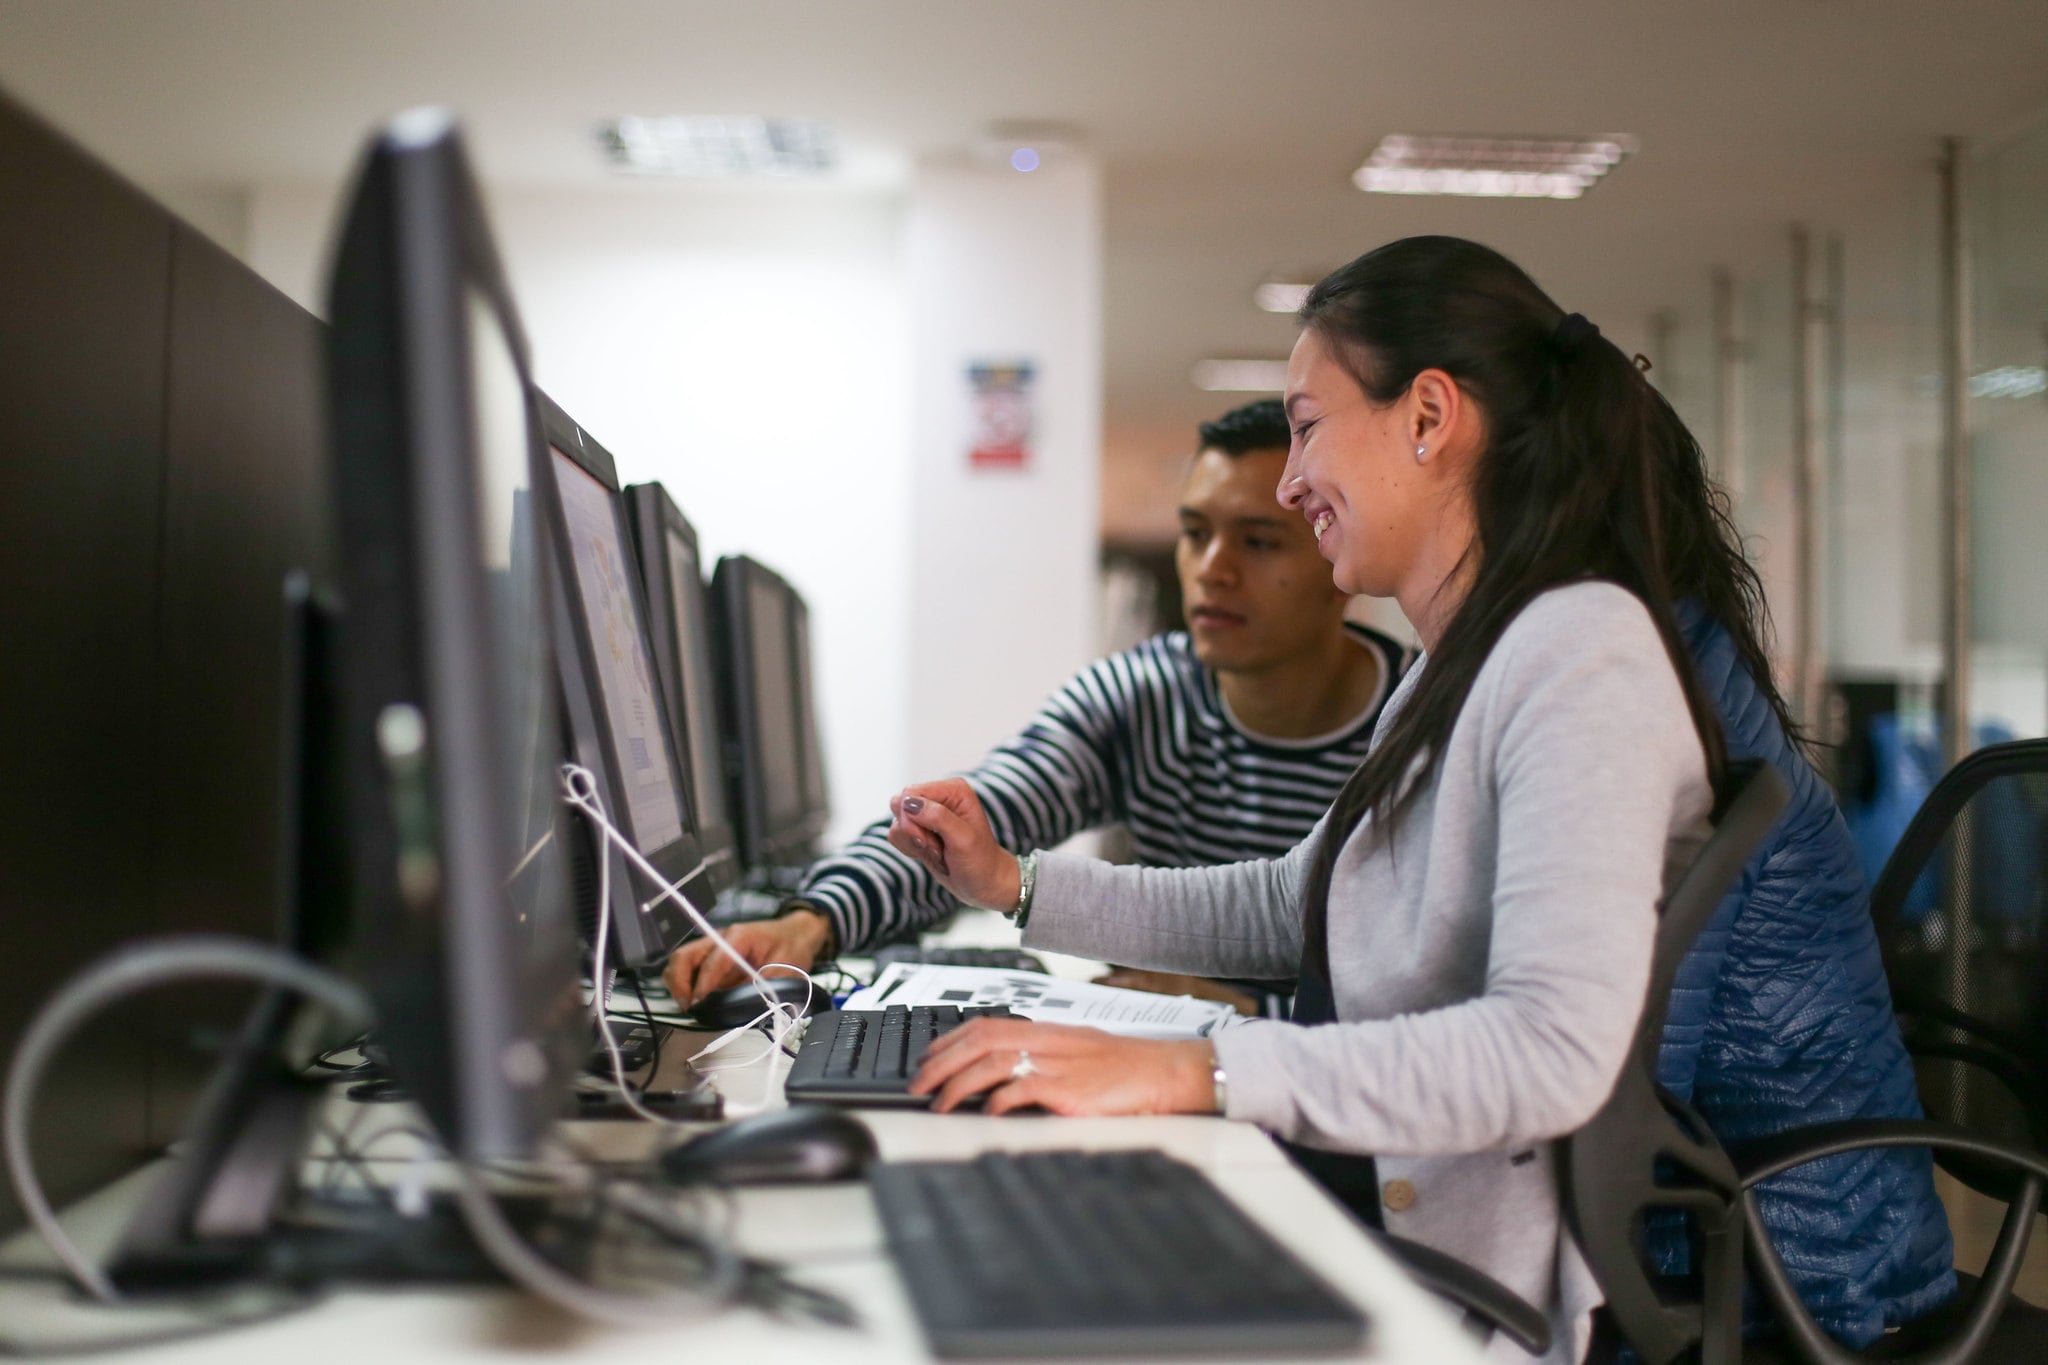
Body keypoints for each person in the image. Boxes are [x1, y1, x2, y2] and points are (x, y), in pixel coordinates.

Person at [884, 238, 1952, 1359]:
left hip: (1757, 1284)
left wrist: (1194, 1070)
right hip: (1523, 1224)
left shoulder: (1582, 654)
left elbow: (1548, 1052)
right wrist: (1016, 886)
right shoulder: (1472, 658)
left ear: (1428, 417)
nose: (1290, 482)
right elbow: (1294, 908)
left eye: (1304, 423)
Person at [663, 398, 1415, 1014]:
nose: (1211, 570)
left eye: (1256, 541)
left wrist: (1246, 1010)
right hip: (1169, 1068)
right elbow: (975, 824)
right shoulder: (1139, 696)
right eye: (1194, 534)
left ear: (1334, 551)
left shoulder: (1418, 726)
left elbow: (1432, 998)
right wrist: (812, 921)